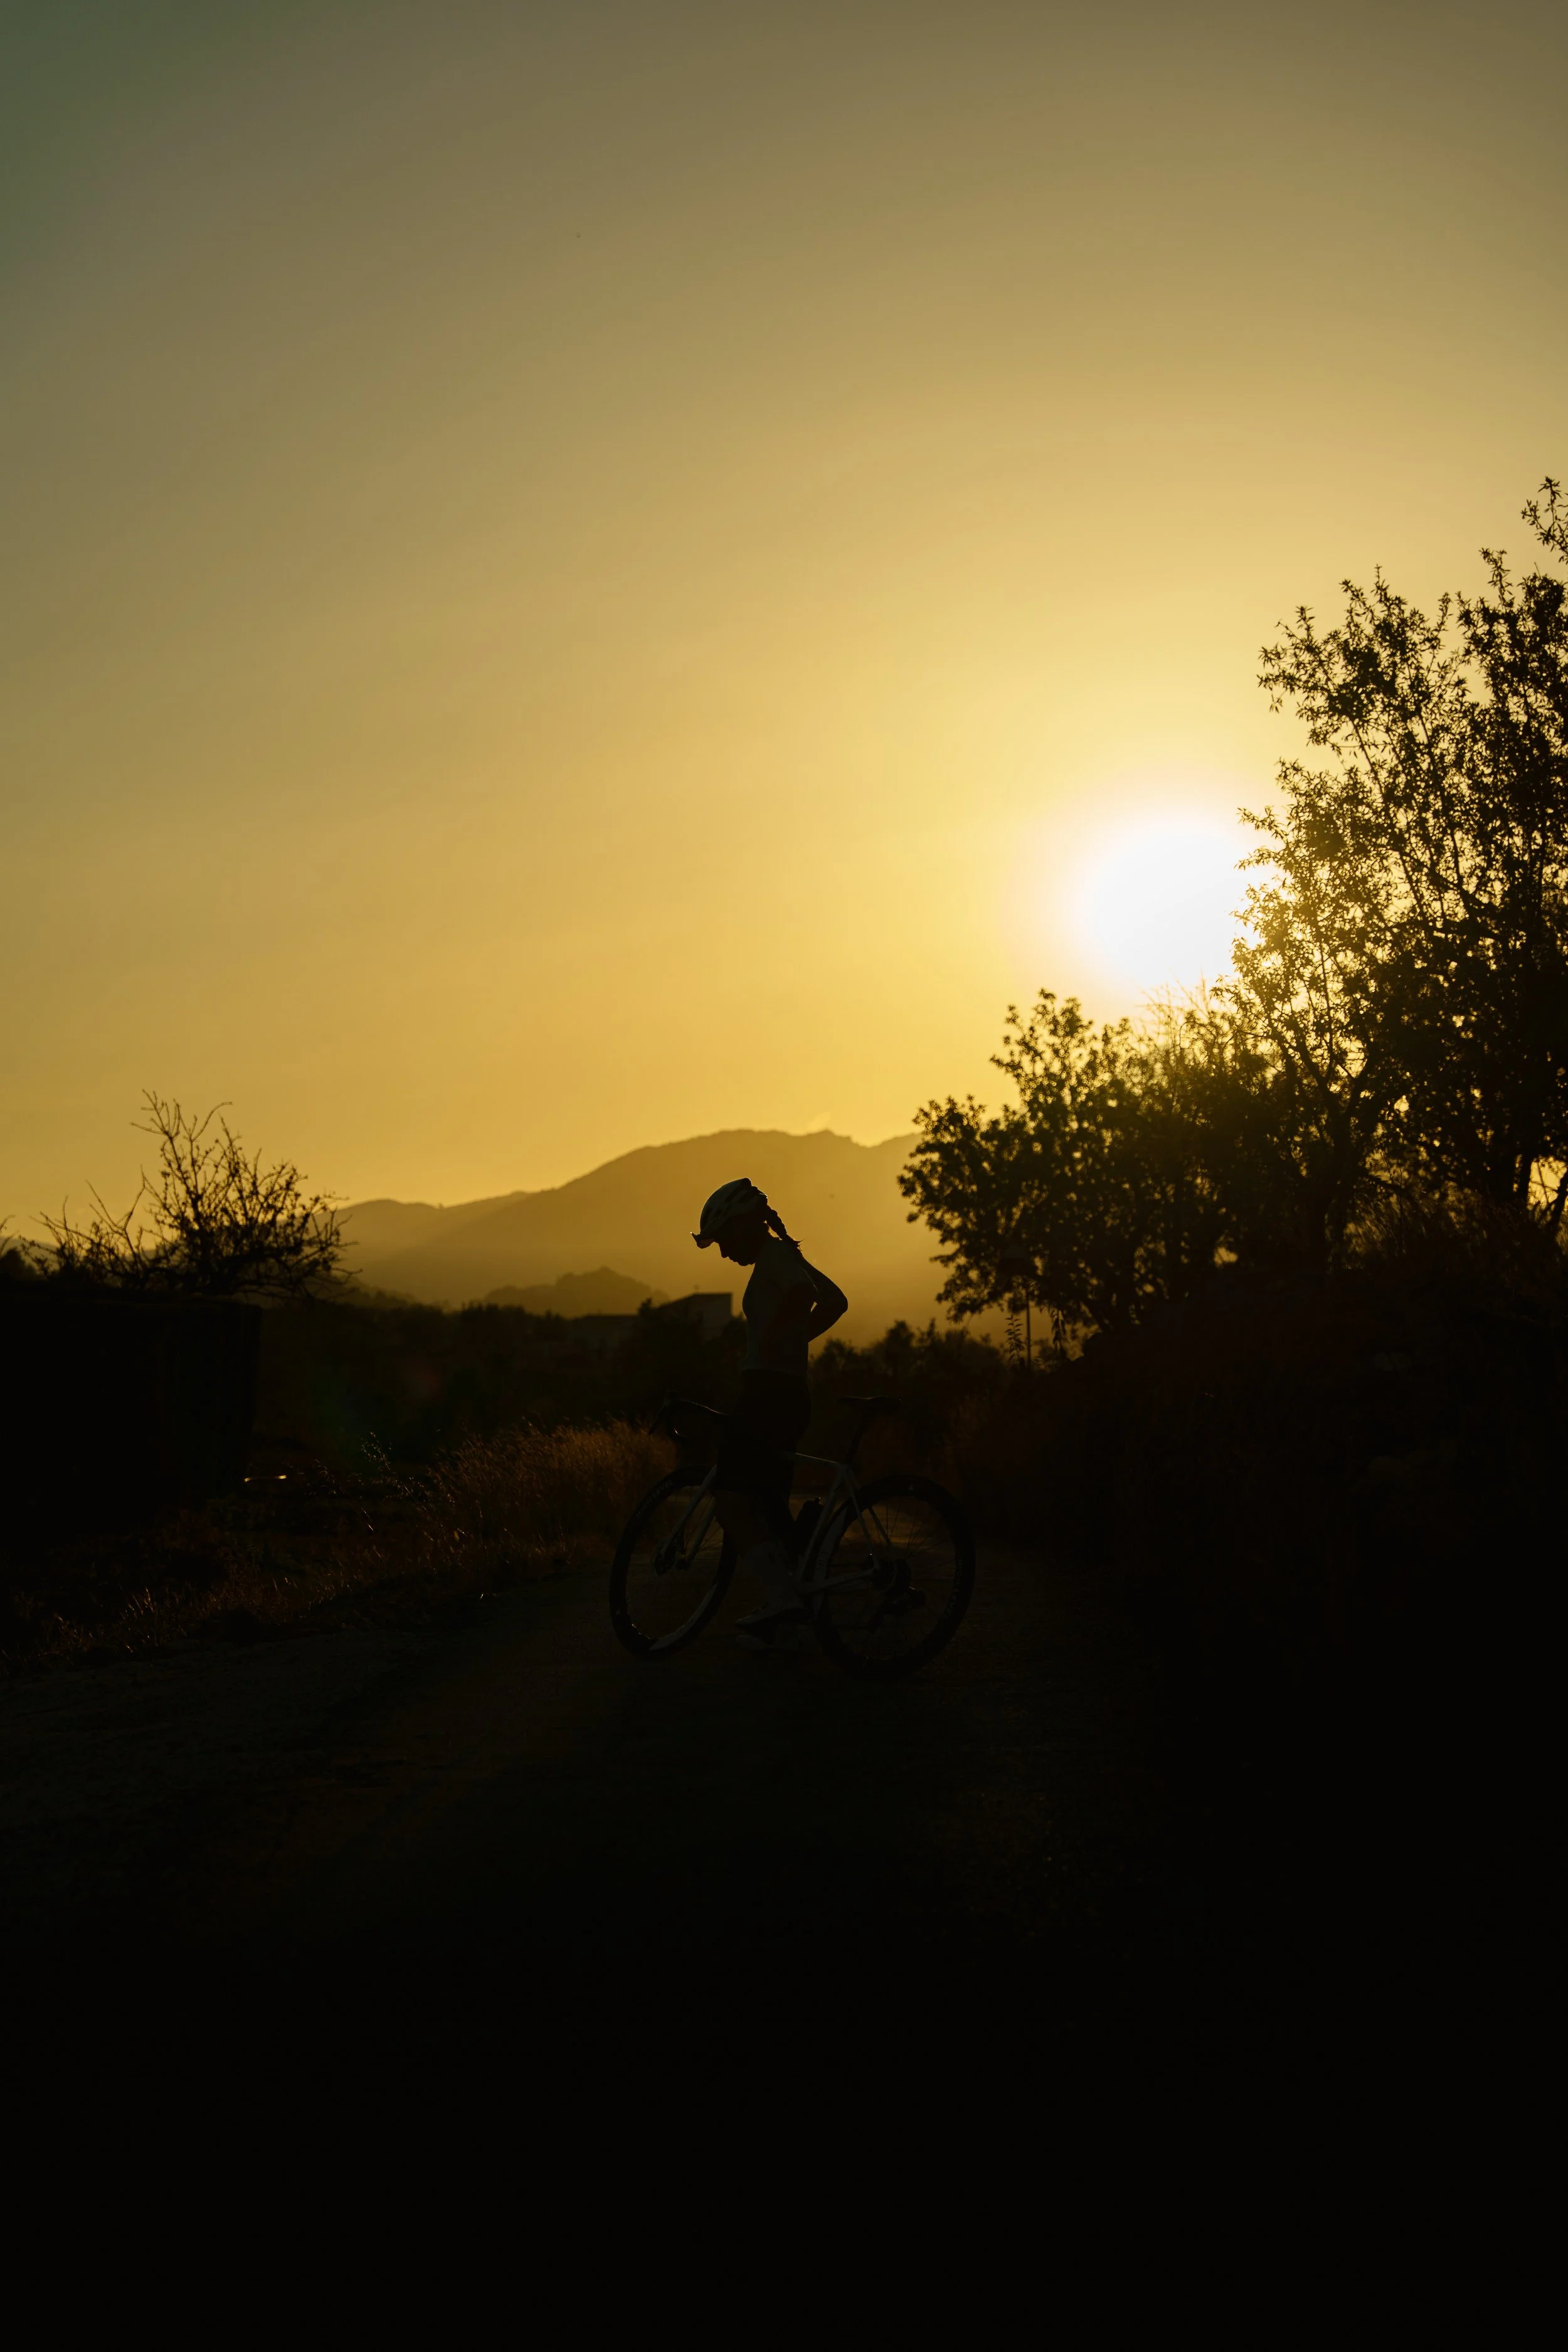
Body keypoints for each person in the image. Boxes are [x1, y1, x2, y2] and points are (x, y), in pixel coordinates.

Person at [692, 1177, 848, 1652]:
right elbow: (836, 1302)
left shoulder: (778, 1259)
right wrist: (792, 1343)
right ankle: (788, 1615)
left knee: (732, 1499)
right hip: (784, 1391)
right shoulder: (782, 1257)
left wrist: (782, 1342)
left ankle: (781, 1598)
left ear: (742, 1226)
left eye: (723, 1241)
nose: (721, 1254)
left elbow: (805, 1298)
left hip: (770, 1395)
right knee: (768, 1503)